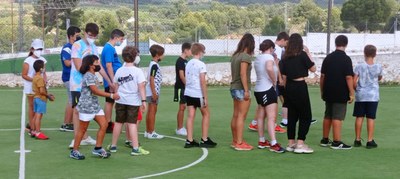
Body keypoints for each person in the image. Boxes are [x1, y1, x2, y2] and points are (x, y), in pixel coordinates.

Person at [68, 23, 114, 148]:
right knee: (77, 110)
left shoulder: (94, 47)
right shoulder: (77, 45)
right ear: (85, 33)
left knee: (88, 109)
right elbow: (78, 67)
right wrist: (91, 71)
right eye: (90, 35)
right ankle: (77, 138)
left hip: (90, 83)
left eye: (94, 36)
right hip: (78, 84)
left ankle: (85, 137)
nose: (92, 38)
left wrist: (109, 81)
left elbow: (99, 66)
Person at [69, 55, 120, 160]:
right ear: (90, 65)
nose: (98, 64)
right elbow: (95, 91)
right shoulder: (88, 75)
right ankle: (74, 151)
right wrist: (111, 95)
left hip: (95, 106)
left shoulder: (93, 75)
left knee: (104, 124)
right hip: (86, 107)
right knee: (82, 129)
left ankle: (98, 148)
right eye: (96, 62)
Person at [107, 46, 150, 155]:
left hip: (120, 100)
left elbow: (116, 86)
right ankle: (135, 148)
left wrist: (117, 97)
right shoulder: (138, 71)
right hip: (133, 101)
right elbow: (141, 87)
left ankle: (113, 146)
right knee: (132, 124)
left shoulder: (119, 71)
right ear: (135, 57)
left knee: (118, 123)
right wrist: (144, 101)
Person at [280, 33, 316, 154]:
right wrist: (308, 52)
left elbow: (284, 77)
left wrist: (285, 92)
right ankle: (300, 143)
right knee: (306, 115)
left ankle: (291, 143)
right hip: (300, 86)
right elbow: (313, 69)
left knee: (292, 116)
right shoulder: (302, 55)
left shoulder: (285, 57)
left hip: (289, 86)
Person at [248, 32, 288, 134]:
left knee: (262, 109)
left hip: (259, 87)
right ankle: (272, 130)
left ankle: (260, 134)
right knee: (270, 111)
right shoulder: (271, 55)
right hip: (267, 86)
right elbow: (271, 67)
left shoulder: (258, 57)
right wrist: (276, 79)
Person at [320, 35, 354, 150]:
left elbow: (322, 76)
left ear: (335, 44)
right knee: (338, 117)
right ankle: (336, 142)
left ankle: (325, 139)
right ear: (346, 44)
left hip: (328, 90)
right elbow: (349, 77)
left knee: (328, 115)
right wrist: (351, 93)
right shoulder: (346, 59)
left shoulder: (328, 58)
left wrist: (322, 90)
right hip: (340, 92)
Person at [183, 43, 217, 148]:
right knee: (206, 114)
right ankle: (204, 139)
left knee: (190, 116)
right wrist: (205, 97)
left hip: (188, 93)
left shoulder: (188, 63)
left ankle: (189, 140)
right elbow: (202, 81)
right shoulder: (201, 64)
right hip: (198, 94)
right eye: (203, 52)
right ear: (200, 52)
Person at [253, 40, 285, 153]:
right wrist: (274, 80)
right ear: (271, 48)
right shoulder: (269, 57)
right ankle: (273, 143)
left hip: (258, 89)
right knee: (271, 117)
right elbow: (269, 68)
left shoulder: (258, 58)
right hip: (267, 89)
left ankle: (262, 140)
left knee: (261, 116)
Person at [353, 45, 382, 149]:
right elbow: (379, 77)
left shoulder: (359, 66)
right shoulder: (378, 66)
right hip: (373, 95)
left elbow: (354, 80)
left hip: (361, 95)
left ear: (364, 53)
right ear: (375, 54)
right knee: (371, 117)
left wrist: (357, 89)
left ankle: (357, 139)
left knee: (359, 117)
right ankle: (370, 140)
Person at [230, 33, 255, 151]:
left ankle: (235, 140)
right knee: (241, 116)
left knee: (236, 114)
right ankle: (239, 143)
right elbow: (243, 73)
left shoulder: (235, 56)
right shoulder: (245, 57)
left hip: (234, 87)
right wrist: (246, 90)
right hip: (241, 88)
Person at [101, 29, 125, 133]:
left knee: (111, 101)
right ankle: (107, 123)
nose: (122, 41)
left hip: (113, 79)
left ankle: (109, 123)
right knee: (110, 102)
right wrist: (112, 82)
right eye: (121, 39)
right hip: (111, 81)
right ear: (116, 38)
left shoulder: (111, 48)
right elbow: (108, 65)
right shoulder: (108, 48)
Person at [22, 39, 47, 134]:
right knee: (32, 106)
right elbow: (24, 74)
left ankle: (35, 127)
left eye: (40, 49)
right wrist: (35, 80)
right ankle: (32, 128)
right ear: (32, 49)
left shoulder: (43, 60)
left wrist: (44, 81)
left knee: (39, 108)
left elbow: (44, 73)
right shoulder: (27, 61)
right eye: (37, 49)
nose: (39, 51)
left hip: (40, 87)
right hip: (30, 87)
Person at [60, 26, 81, 132]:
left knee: (74, 100)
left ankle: (71, 122)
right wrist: (77, 59)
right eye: (77, 35)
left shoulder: (77, 47)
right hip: (69, 78)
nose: (79, 37)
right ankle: (66, 123)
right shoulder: (67, 48)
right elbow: (67, 63)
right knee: (71, 100)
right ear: (71, 36)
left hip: (74, 78)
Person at [30, 60, 55, 140]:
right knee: (38, 116)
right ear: (41, 69)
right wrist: (48, 96)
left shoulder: (35, 77)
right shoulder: (40, 78)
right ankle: (38, 132)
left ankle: (33, 131)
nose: (45, 68)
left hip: (36, 98)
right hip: (41, 99)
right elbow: (41, 91)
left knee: (35, 115)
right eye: (44, 67)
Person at [145, 44, 165, 139]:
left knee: (150, 111)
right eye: (162, 54)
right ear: (157, 55)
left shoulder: (153, 64)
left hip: (152, 91)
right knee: (152, 111)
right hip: (153, 92)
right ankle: (151, 132)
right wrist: (154, 93)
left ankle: (148, 131)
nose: (163, 56)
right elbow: (151, 79)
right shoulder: (154, 65)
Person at [174, 42, 192, 136]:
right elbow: (181, 76)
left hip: (186, 87)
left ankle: (181, 127)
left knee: (184, 106)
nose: (191, 53)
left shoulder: (186, 61)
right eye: (190, 51)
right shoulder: (180, 61)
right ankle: (179, 128)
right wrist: (188, 85)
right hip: (181, 87)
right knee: (182, 107)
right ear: (185, 50)